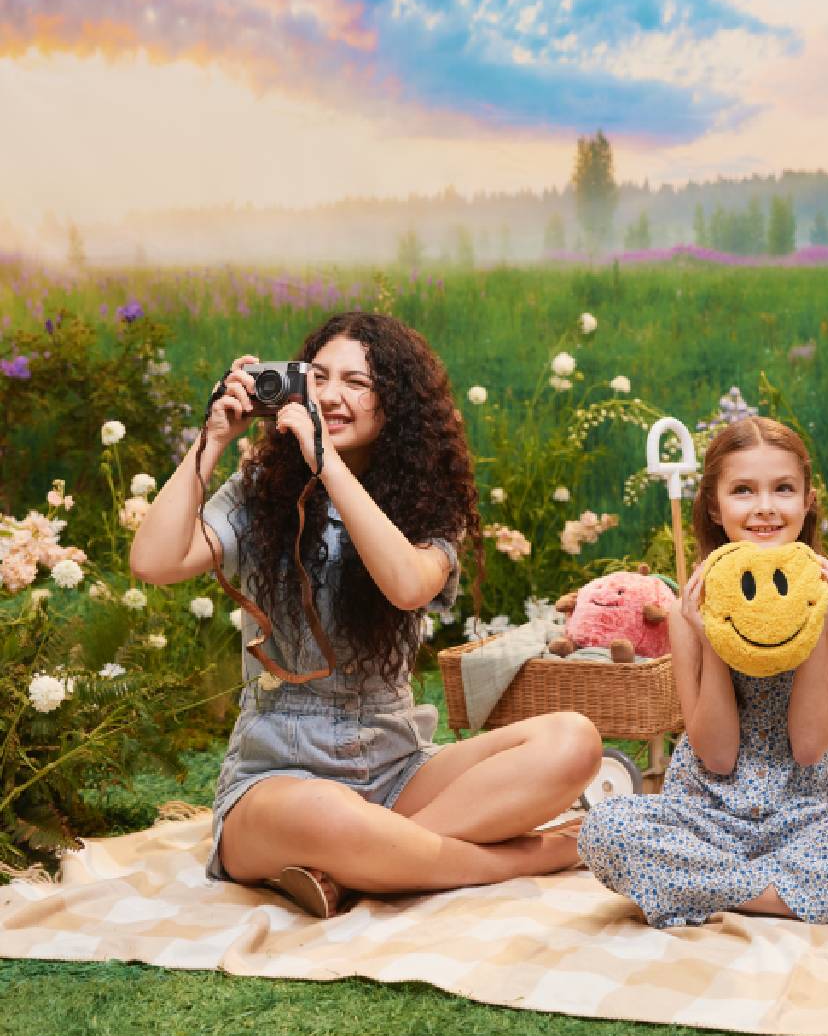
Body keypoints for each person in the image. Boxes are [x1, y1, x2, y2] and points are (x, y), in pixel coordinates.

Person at [130, 311, 602, 918]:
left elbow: (407, 586)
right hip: (275, 782)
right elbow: (154, 561)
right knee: (323, 813)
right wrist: (212, 439)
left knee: (573, 740)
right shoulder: (261, 492)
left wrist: (327, 465)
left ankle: (361, 868)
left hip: (395, 770)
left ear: (396, 404)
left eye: (357, 382)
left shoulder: (427, 506)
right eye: (318, 376)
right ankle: (532, 857)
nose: (331, 395)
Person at [577, 416, 828, 928]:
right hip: (708, 814)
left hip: (811, 815)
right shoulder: (690, 611)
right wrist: (710, 634)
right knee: (608, 829)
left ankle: (713, 890)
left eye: (783, 489)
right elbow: (718, 754)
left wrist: (815, 621)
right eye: (744, 490)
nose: (765, 507)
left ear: (807, 500)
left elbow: (810, 746)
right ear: (714, 504)